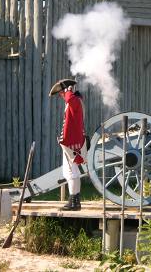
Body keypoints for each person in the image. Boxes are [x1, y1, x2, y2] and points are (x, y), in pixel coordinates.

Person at [49, 78, 86, 211]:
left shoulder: (74, 101)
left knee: (71, 172)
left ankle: (74, 201)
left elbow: (70, 99)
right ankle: (74, 200)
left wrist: (68, 90)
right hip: (71, 141)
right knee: (69, 172)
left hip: (72, 143)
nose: (61, 95)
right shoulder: (75, 101)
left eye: (62, 92)